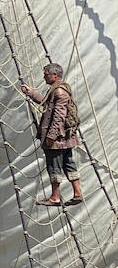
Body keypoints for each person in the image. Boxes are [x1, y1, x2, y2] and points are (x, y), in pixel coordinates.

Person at [20, 62, 83, 206]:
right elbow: (46, 103)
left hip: (57, 140)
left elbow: (58, 117)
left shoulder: (59, 91)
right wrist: (30, 92)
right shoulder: (57, 90)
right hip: (66, 139)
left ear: (55, 75)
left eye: (46, 74)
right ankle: (77, 193)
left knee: (54, 166)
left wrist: (50, 137)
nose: (44, 76)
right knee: (69, 164)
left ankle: (55, 197)